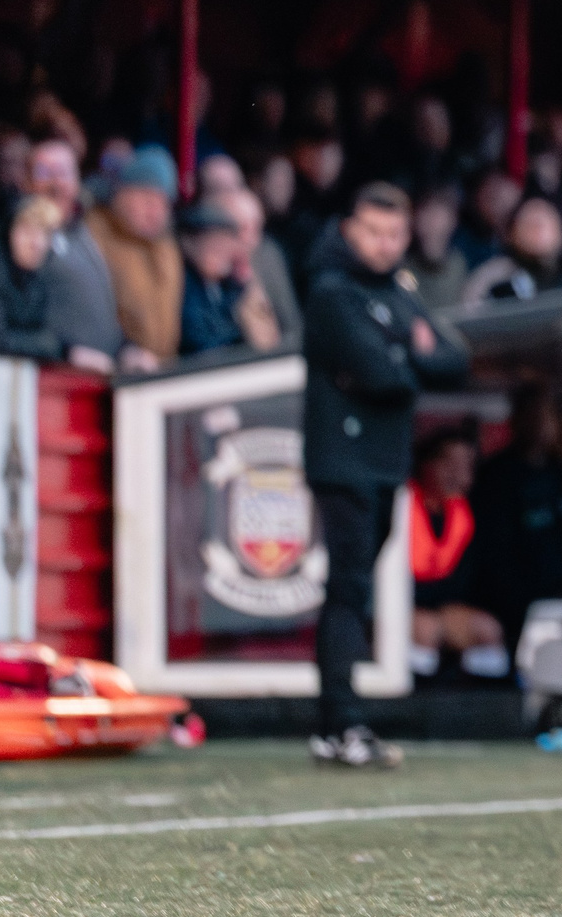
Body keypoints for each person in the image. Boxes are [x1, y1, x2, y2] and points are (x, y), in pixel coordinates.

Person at [302, 183, 470, 768]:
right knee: (348, 586)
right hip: (342, 460)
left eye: (395, 234)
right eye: (374, 232)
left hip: (384, 460)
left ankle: (337, 723)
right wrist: (410, 352)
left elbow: (454, 358)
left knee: (356, 586)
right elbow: (383, 374)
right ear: (349, 229)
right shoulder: (331, 291)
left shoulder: (400, 290)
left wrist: (406, 353)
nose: (384, 244)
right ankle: (340, 723)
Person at [468, 379, 562, 648]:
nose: (540, 425)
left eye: (547, 416)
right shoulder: (496, 477)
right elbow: (492, 552)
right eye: (533, 415)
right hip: (513, 602)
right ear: (517, 420)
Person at [28, 139, 143, 370]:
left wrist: (125, 348)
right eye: (45, 173)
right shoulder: (25, 237)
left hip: (103, 377)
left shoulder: (83, 230)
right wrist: (65, 352)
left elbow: (97, 308)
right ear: (28, 182)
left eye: (63, 173)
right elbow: (13, 321)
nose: (56, 183)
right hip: (57, 382)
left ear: (77, 180)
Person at [407, 422, 507, 684]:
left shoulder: (465, 514)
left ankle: (479, 706)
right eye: (449, 464)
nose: (458, 474)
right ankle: (413, 706)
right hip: (403, 608)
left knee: (487, 630)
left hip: (447, 607)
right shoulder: (400, 507)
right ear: (426, 464)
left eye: (465, 466)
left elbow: (468, 579)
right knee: (425, 630)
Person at [0, 196, 95, 369]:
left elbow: (40, 331)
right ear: (9, 233)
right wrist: (57, 348)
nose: (37, 243)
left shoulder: (35, 276)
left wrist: (63, 348)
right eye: (27, 231)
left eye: (45, 233)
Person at [87, 146, 183, 363]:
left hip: (161, 372)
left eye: (163, 203)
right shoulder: (95, 236)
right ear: (122, 193)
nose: (155, 212)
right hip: (116, 370)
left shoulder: (166, 246)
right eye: (147, 200)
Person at [175, 199, 281, 359]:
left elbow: (266, 339)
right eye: (212, 243)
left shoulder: (230, 286)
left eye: (224, 244)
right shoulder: (184, 286)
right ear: (190, 244)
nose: (220, 251)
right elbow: (199, 340)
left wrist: (247, 290)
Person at [221, 186, 300, 345]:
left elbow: (290, 321)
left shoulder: (267, 256)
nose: (250, 239)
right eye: (242, 228)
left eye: (256, 228)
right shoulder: (214, 267)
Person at [406, 181, 471, 311]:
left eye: (438, 214)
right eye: (426, 212)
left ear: (453, 220)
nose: (431, 223)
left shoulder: (459, 263)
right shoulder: (401, 267)